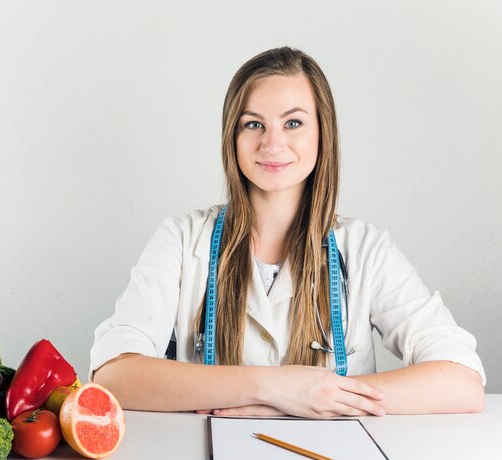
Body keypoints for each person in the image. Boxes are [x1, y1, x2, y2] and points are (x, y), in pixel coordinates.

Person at [90, 47, 485, 418]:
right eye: (254, 124)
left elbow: (461, 380)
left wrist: (322, 399)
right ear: (233, 136)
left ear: (321, 133)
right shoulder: (180, 239)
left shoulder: (366, 249)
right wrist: (275, 388)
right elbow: (113, 376)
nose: (272, 142)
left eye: (293, 122)